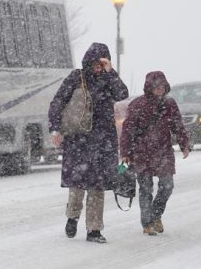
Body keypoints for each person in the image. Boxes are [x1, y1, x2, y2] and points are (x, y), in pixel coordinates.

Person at [48, 43, 129, 243]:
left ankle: (94, 230)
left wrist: (111, 73)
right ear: (88, 61)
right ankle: (72, 216)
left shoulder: (109, 79)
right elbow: (57, 102)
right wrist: (55, 128)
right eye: (96, 63)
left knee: (97, 186)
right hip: (79, 139)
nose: (99, 67)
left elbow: (122, 94)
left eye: (103, 63)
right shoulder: (76, 77)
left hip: (103, 141)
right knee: (77, 184)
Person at [120, 71, 190, 236]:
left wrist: (185, 144)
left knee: (167, 186)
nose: (159, 89)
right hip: (141, 153)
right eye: (156, 86)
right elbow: (127, 130)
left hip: (163, 152)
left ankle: (156, 214)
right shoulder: (138, 104)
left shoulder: (170, 104)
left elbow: (178, 126)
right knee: (145, 189)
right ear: (149, 87)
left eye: (162, 86)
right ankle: (147, 223)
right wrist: (125, 153)